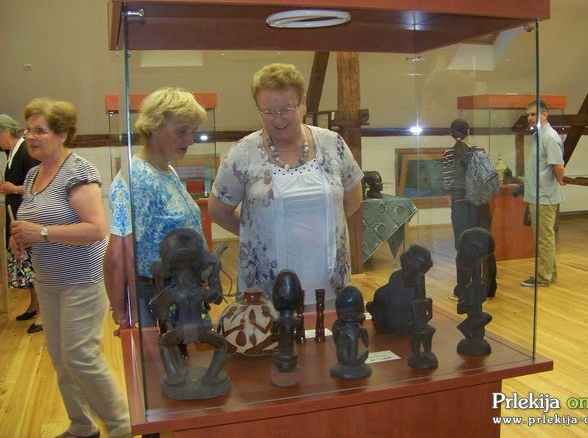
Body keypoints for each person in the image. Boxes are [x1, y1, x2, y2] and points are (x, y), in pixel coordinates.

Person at [9, 98, 130, 438]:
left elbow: (95, 229)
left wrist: (41, 233)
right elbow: (33, 221)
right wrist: (21, 237)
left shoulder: (78, 172)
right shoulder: (33, 174)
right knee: (62, 359)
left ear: (62, 135)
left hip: (83, 279)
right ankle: (82, 425)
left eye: (40, 130)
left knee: (81, 356)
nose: (30, 137)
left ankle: (122, 425)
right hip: (48, 281)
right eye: (27, 130)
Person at [208, 63, 363, 310]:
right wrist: (258, 235)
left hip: (330, 283)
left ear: (303, 103)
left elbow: (353, 198)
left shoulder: (332, 144)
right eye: (268, 112)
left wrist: (321, 229)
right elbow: (218, 211)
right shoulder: (243, 153)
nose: (278, 119)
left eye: (286, 109)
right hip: (267, 290)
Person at [105, 87, 208, 329]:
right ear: (154, 127)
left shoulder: (165, 169)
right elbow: (117, 257)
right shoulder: (141, 178)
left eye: (192, 132)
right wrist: (125, 316)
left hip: (179, 292)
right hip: (156, 298)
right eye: (182, 131)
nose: (190, 141)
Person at [442, 118, 497, 300]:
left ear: (451, 134)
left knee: (463, 245)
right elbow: (488, 179)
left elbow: (447, 185)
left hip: (460, 205)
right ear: (468, 132)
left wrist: (453, 207)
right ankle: (489, 289)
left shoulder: (448, 154)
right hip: (481, 204)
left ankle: (463, 290)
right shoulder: (480, 151)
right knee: (485, 243)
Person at [0, 114, 42, 332]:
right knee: (26, 266)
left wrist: (13, 188)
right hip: (17, 214)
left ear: (6, 132)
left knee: (34, 266)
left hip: (28, 217)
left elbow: (36, 185)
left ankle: (42, 313)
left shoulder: (26, 151)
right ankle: (34, 305)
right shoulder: (13, 153)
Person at [521, 99, 565, 287]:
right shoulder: (539, 135)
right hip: (537, 195)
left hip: (544, 196)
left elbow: (558, 165)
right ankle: (550, 273)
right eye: (528, 115)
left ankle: (543, 276)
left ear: (544, 115)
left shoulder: (550, 137)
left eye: (533, 114)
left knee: (544, 239)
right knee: (543, 238)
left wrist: (560, 180)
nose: (530, 118)